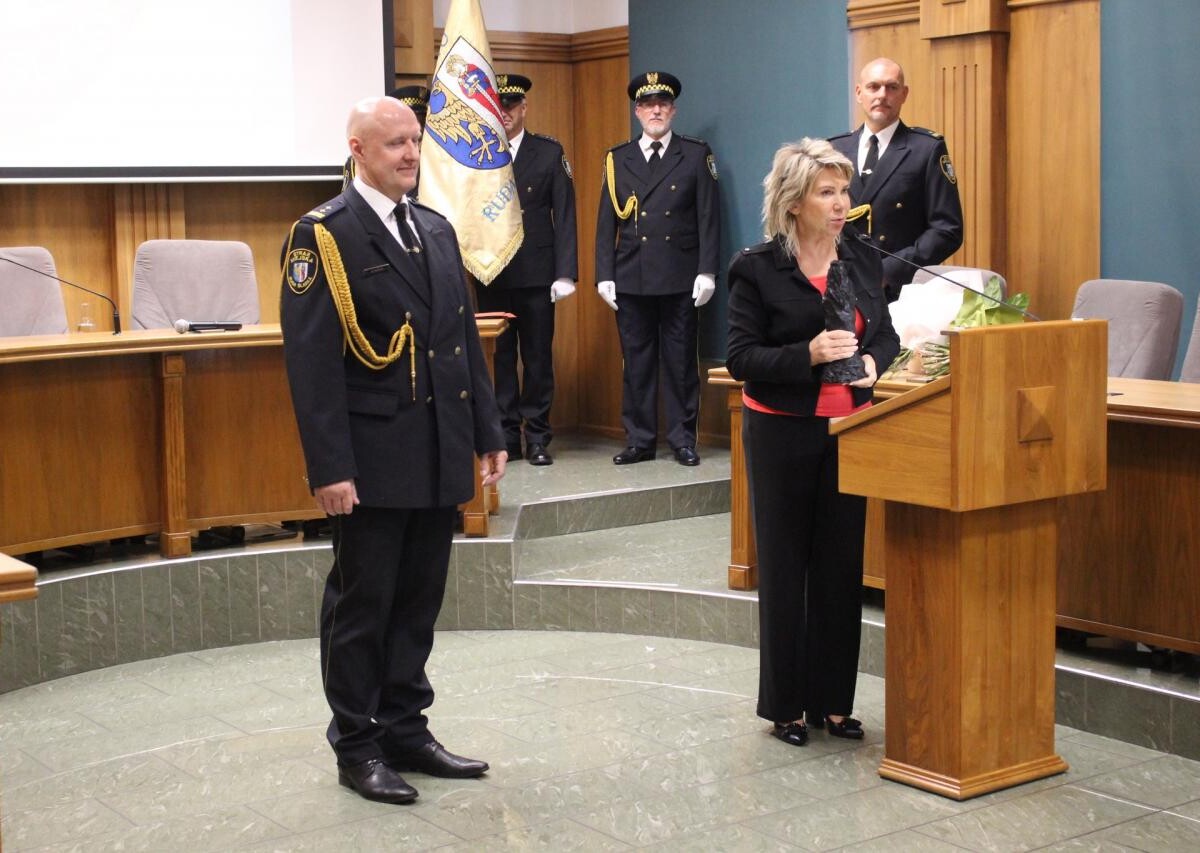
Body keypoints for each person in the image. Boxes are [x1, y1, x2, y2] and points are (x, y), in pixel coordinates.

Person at [280, 95, 507, 804]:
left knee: (417, 600)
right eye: (393, 145)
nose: (410, 154)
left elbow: (462, 341)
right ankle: (357, 742)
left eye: (414, 141)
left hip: (437, 449)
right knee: (363, 603)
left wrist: (489, 433)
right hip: (371, 458)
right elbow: (311, 365)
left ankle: (407, 727)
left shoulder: (435, 229)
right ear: (357, 149)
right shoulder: (323, 235)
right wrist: (330, 468)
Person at [725, 138, 899, 748]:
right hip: (781, 429)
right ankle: (786, 708)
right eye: (827, 193)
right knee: (784, 567)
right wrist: (807, 354)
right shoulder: (757, 267)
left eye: (844, 191)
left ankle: (833, 702)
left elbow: (886, 333)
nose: (841, 204)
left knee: (838, 568)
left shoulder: (860, 257)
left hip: (849, 428)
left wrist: (875, 360)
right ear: (795, 202)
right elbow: (741, 357)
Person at [595, 71, 720, 467]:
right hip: (632, 276)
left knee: (681, 362)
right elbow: (605, 222)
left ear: (673, 110)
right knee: (637, 362)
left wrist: (708, 271)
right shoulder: (618, 159)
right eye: (648, 105)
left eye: (663, 104)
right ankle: (640, 440)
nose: (656, 111)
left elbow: (708, 218)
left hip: (681, 276)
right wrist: (604, 274)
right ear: (637, 111)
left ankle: (683, 439)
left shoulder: (696, 154)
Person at [473, 73, 578, 466]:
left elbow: (565, 215)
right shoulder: (479, 154)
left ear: (524, 108)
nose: (505, 114)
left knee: (536, 357)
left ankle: (537, 437)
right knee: (498, 356)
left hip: (537, 273)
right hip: (492, 272)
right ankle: (504, 438)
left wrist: (565, 272)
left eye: (512, 107)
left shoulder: (548, 153)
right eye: (498, 107)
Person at [829, 57, 963, 301]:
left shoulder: (925, 149)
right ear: (859, 93)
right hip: (841, 285)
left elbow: (947, 229)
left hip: (899, 290)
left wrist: (888, 271)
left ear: (904, 94)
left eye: (891, 87)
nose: (882, 95)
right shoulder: (834, 150)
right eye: (873, 87)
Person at [342, 84, 430, 192]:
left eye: (414, 139)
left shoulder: (430, 159)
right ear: (359, 150)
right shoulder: (361, 160)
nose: (412, 156)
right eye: (397, 142)